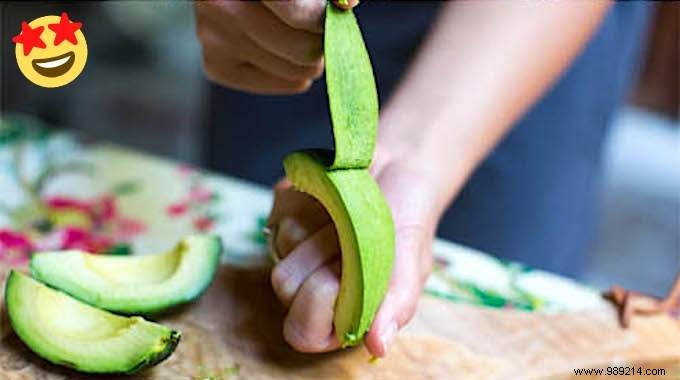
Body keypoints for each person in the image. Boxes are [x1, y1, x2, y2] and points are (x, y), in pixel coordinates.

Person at [195, 1, 651, 358]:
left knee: (498, 324)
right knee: (258, 273)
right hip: (293, 43)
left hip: (520, 30)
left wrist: (417, 154)